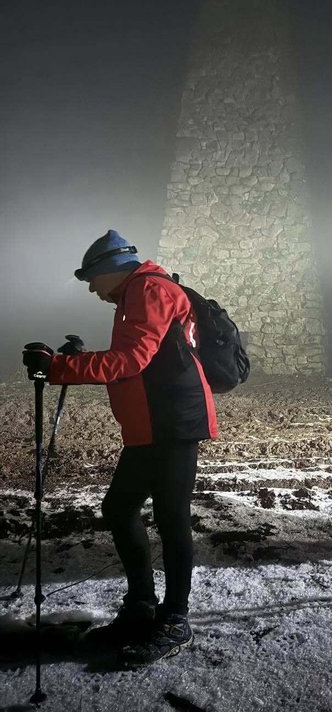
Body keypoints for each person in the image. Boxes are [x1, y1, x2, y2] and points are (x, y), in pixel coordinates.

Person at [22, 230, 218, 667]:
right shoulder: (138, 293)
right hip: (153, 423)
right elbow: (137, 357)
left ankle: (174, 619)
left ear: (109, 271)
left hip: (173, 422)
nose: (92, 289)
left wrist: (59, 367)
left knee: (171, 518)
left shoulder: (148, 289)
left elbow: (132, 361)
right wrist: (77, 358)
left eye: (92, 280)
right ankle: (142, 607)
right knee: (120, 508)